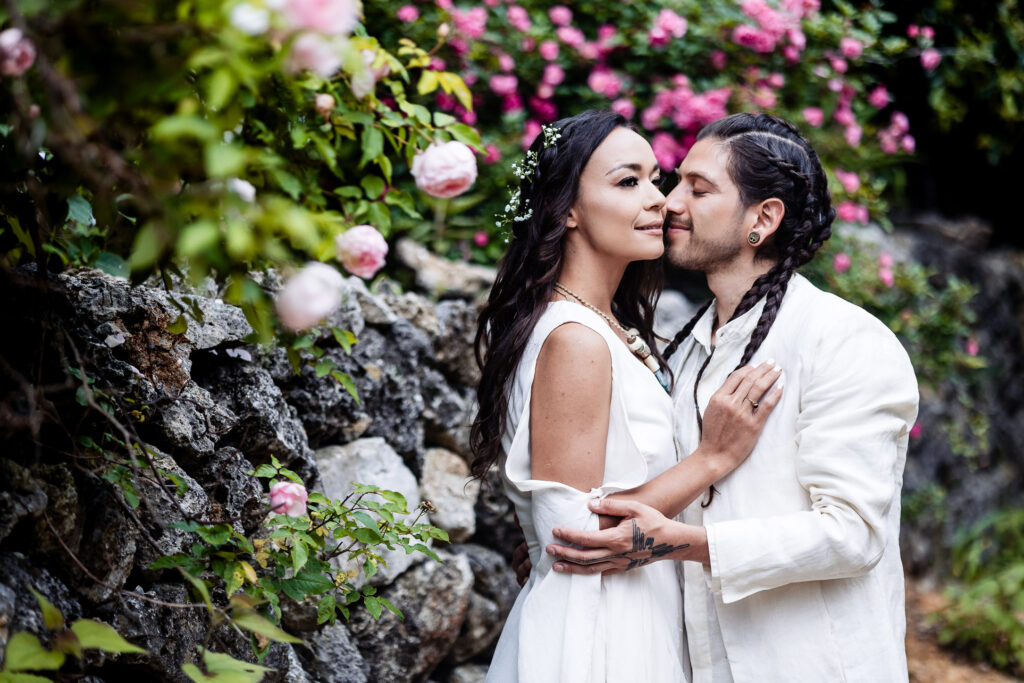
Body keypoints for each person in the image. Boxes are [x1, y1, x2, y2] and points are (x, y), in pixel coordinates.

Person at [544, 112, 920, 682]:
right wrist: (574, 538)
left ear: (762, 220)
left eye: (698, 189)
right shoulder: (686, 352)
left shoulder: (843, 340)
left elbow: (853, 534)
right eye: (677, 183)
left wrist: (683, 544)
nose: (669, 202)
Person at [471, 110, 783, 683]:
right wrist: (711, 458)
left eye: (655, 178)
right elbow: (578, 537)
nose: (660, 200)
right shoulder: (575, 339)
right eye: (627, 181)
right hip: (596, 633)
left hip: (635, 609)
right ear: (565, 208)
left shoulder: (606, 327)